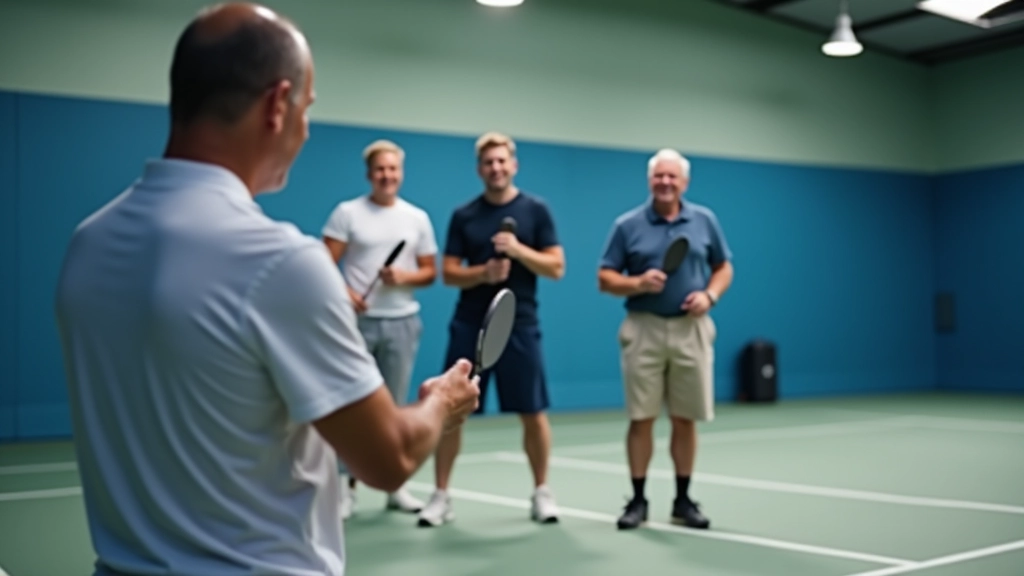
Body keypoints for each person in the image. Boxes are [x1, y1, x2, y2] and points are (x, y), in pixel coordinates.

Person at [53, 4, 479, 576]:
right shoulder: (281, 263)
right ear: (278, 106)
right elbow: (390, 457)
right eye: (306, 109)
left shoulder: (88, 244)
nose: (304, 127)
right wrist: (443, 402)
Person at [416, 132, 564, 527]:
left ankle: (542, 492)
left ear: (513, 165)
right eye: (488, 162)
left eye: (502, 161)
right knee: (449, 411)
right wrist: (483, 272)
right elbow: (448, 273)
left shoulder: (537, 210)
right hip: (470, 324)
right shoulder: (465, 215)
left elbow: (556, 266)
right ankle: (441, 495)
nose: (496, 168)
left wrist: (518, 251)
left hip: (521, 324)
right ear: (479, 168)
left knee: (533, 412)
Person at [597, 148, 734, 531]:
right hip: (643, 328)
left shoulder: (704, 220)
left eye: (672, 177)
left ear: (684, 182)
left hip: (691, 330)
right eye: (659, 176)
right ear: (649, 180)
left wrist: (709, 295)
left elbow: (723, 267)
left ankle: (683, 500)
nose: (665, 182)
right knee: (641, 418)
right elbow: (605, 278)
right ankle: (638, 500)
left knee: (685, 419)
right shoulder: (627, 225)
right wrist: (637, 283)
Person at [322, 139, 438, 518]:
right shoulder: (347, 213)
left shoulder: (416, 218)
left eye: (393, 169)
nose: (387, 176)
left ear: (400, 173)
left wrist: (403, 276)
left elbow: (429, 272)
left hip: (403, 323)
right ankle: (344, 490)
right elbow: (323, 264)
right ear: (370, 174)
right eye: (380, 169)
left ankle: (396, 487)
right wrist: (347, 293)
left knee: (396, 406)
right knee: (350, 408)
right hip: (356, 325)